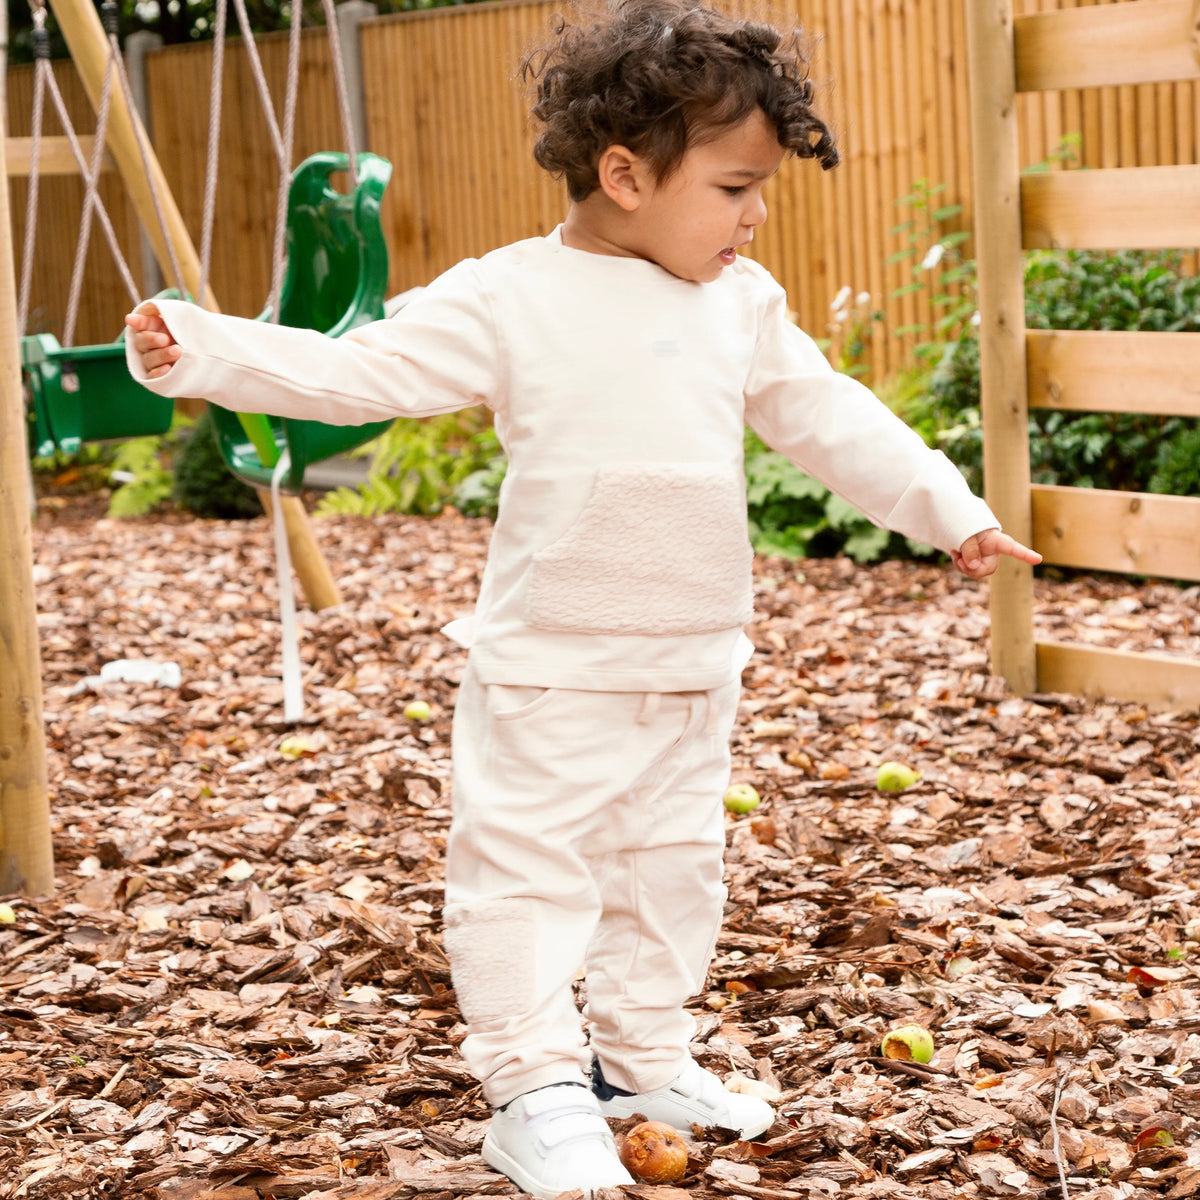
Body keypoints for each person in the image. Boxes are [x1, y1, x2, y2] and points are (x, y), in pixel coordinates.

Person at [126, 1, 1041, 1193]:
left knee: (674, 876)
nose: (754, 214)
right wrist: (200, 349)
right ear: (623, 173)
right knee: (524, 875)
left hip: (693, 662)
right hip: (553, 667)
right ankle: (534, 1088)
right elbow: (364, 374)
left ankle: (641, 1062)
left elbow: (830, 417)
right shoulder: (512, 297)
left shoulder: (741, 303)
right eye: (731, 187)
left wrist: (947, 506)